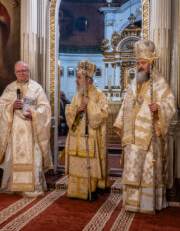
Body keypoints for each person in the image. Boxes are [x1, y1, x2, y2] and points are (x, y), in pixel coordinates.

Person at [113, 40, 176, 214]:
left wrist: (159, 108)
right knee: (132, 170)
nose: (140, 66)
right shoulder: (133, 84)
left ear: (151, 63)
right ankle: (132, 203)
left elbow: (170, 103)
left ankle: (148, 204)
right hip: (132, 138)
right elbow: (126, 104)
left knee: (147, 170)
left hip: (149, 139)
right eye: (138, 63)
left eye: (144, 63)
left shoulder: (159, 83)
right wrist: (122, 126)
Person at [0, 61, 53, 197]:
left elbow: (45, 109)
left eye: (24, 70)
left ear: (29, 71)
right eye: (19, 71)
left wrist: (34, 114)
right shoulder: (10, 88)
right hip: (14, 130)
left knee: (33, 158)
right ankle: (12, 186)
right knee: (12, 157)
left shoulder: (36, 88)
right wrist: (11, 107)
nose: (21, 73)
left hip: (31, 129)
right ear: (15, 73)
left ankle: (31, 187)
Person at [64, 60, 109, 201]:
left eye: (79, 77)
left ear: (88, 80)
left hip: (90, 136)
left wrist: (89, 104)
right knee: (77, 161)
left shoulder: (99, 94)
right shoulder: (77, 95)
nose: (76, 80)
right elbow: (69, 111)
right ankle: (74, 191)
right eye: (76, 77)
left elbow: (102, 114)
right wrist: (77, 109)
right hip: (76, 135)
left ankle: (91, 190)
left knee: (89, 163)